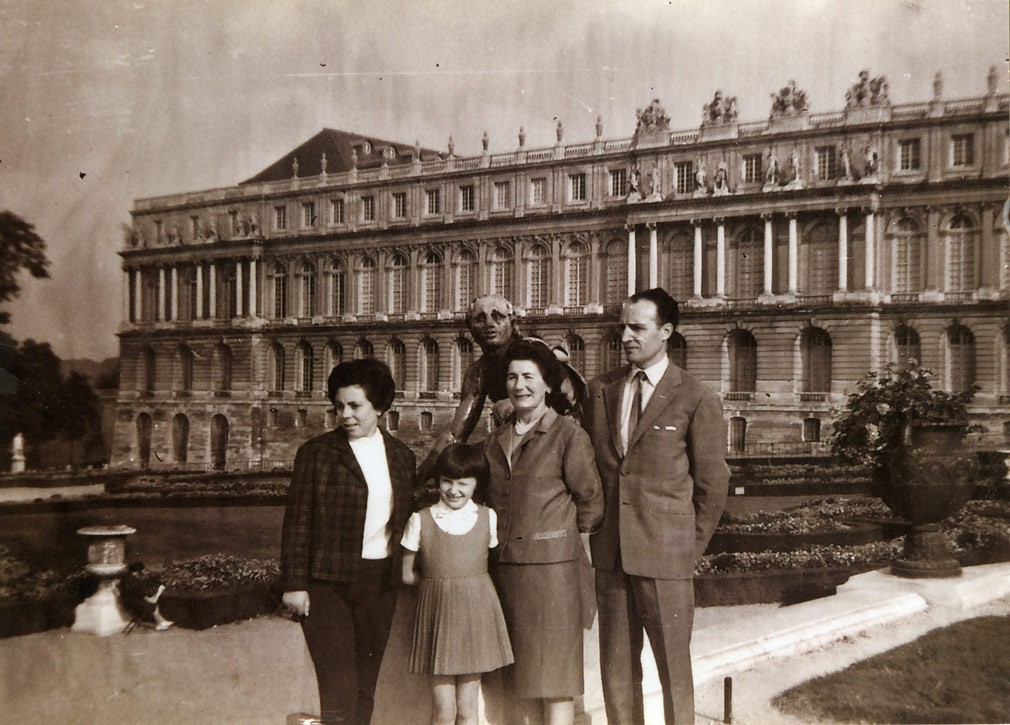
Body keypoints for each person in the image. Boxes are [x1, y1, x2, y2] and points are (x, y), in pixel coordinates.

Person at [583, 288, 730, 725]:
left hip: (667, 557)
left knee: (674, 673)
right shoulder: (600, 390)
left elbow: (712, 485)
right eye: (623, 327)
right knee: (616, 673)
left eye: (637, 328)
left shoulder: (696, 397)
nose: (626, 336)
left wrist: (687, 549)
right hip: (611, 557)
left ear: (666, 332)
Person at [280, 358, 416, 725]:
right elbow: (297, 523)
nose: (345, 415)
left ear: (381, 407)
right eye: (339, 406)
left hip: (379, 585)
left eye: (355, 405)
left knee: (364, 689)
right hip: (328, 586)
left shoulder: (403, 458)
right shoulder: (317, 454)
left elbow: (407, 523)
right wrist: (294, 585)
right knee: (337, 688)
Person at [484, 339, 604, 725]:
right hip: (504, 570)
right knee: (515, 678)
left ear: (548, 385)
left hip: (553, 575)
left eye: (529, 377)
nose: (520, 385)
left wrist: (566, 543)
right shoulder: (496, 439)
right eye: (513, 377)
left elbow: (590, 501)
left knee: (555, 679)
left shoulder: (568, 435)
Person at [416, 294, 586, 483]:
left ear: (512, 323)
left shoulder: (533, 351)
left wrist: (517, 404)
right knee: (473, 458)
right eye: (480, 319)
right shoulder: (478, 372)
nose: (489, 324)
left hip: (565, 434)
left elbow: (569, 397)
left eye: (497, 317)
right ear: (471, 328)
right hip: (518, 438)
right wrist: (420, 476)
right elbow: (456, 433)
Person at [401, 444, 514, 725]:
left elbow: (489, 565)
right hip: (438, 619)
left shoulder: (487, 517)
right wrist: (438, 588)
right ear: (437, 481)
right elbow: (406, 574)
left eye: (463, 483)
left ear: (477, 484)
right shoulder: (420, 520)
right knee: (444, 711)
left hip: (475, 621)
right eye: (446, 481)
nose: (454, 490)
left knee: (467, 709)